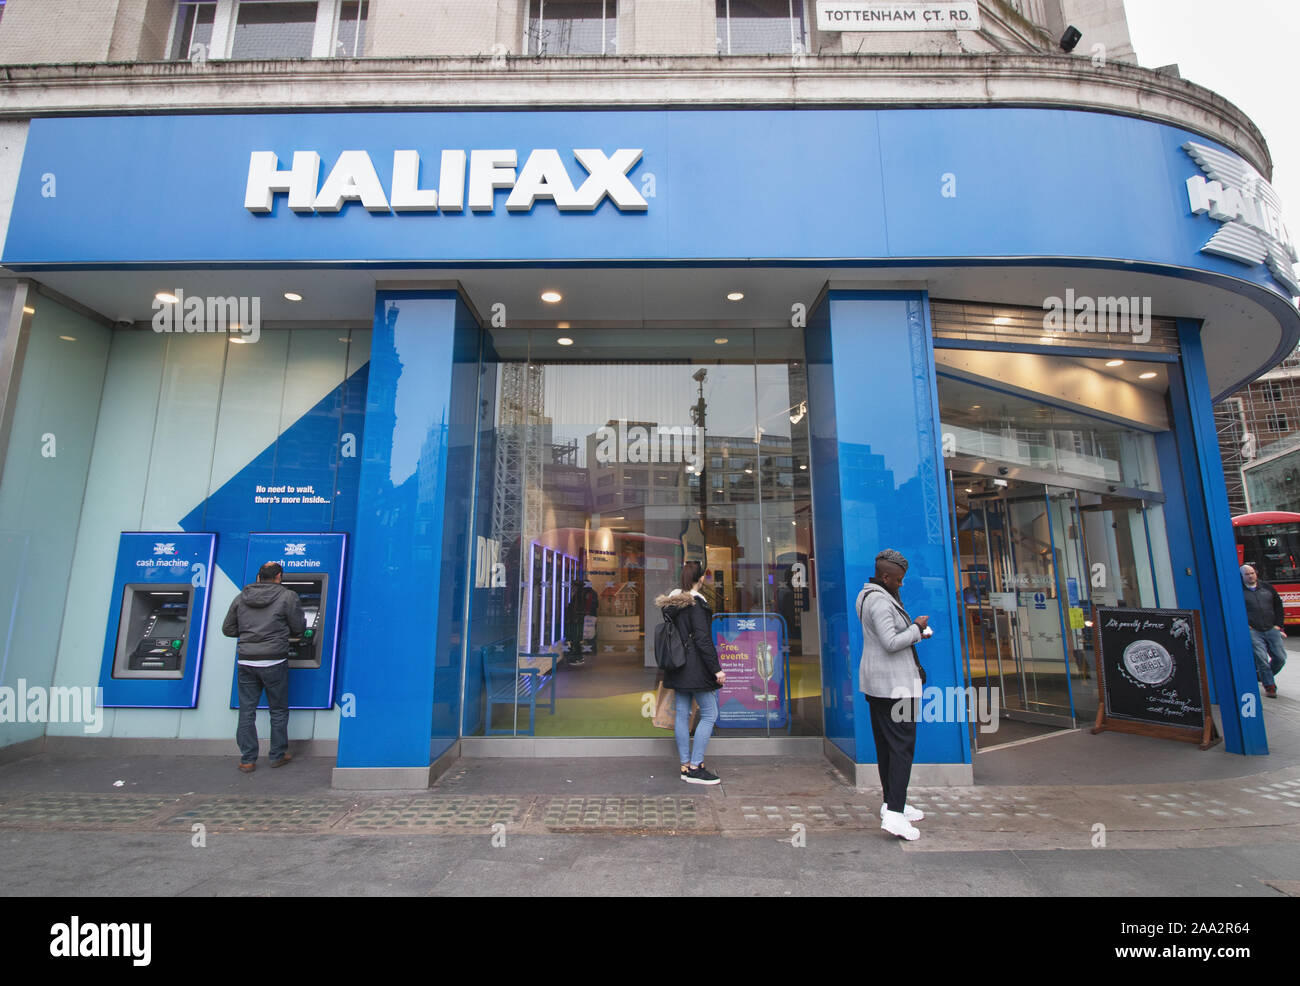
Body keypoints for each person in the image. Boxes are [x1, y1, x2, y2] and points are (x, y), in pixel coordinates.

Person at [856, 548, 930, 841]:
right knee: (901, 748)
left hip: (879, 685)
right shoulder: (881, 603)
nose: (901, 584)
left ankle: (892, 803)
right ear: (885, 577)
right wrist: (917, 629)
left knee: (887, 747)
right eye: (898, 580)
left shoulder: (867, 595)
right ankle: (896, 815)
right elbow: (890, 642)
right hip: (895, 686)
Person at [223, 561, 306, 771]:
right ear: (279, 576)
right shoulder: (287, 596)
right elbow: (298, 628)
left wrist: (250, 637)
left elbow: (228, 629)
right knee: (277, 710)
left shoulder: (242, 597)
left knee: (246, 711)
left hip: (246, 660)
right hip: (274, 660)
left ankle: (248, 758)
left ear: (259, 577)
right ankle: (277, 755)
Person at [655, 560, 726, 785]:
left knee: (683, 715)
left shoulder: (673, 605)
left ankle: (685, 765)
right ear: (700, 578)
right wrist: (716, 669)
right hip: (696, 668)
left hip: (678, 666)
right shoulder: (696, 605)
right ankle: (695, 767)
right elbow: (703, 640)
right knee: (709, 714)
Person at [1241, 564, 1286, 698]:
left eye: (1252, 573)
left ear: (1256, 573)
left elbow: (1278, 605)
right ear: (1242, 577)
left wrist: (1278, 625)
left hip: (1271, 628)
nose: (1250, 576)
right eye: (1247, 574)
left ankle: (1262, 676)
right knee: (1262, 659)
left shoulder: (1267, 587)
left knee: (1280, 658)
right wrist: (1245, 624)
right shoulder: (1239, 591)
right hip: (1253, 630)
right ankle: (1270, 686)